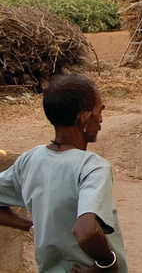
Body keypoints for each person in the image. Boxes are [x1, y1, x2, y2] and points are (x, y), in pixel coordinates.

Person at [0, 74, 127, 272]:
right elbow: (85, 231)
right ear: (83, 117)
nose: (101, 119)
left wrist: (33, 225)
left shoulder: (30, 160)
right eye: (98, 111)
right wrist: (106, 263)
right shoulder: (92, 167)